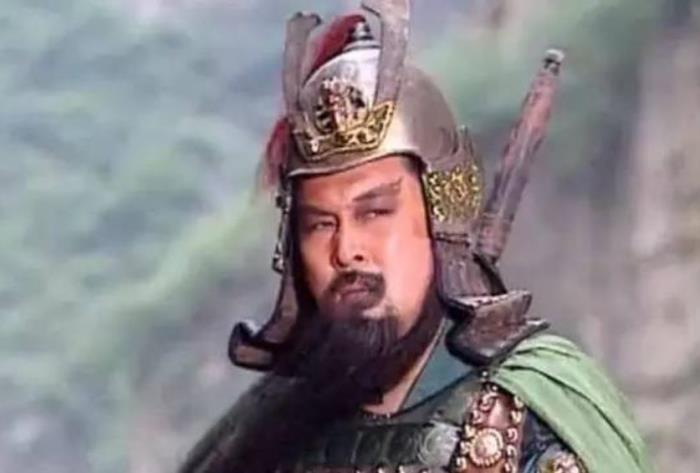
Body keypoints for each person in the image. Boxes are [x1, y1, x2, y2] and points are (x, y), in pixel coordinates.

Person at [180, 1, 653, 472]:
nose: (346, 250)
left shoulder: (532, 413)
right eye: (320, 224)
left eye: (375, 212)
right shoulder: (264, 431)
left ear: (440, 212)